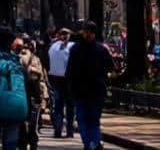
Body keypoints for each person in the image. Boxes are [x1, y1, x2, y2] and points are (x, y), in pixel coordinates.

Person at [65, 21, 113, 150]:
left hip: (92, 91)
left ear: (93, 33)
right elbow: (111, 67)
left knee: (90, 119)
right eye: (86, 32)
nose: (87, 34)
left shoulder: (98, 49)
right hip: (84, 91)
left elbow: (110, 67)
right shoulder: (80, 49)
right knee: (85, 120)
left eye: (89, 32)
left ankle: (92, 143)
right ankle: (91, 143)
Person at [13, 36, 49, 150]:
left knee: (22, 125)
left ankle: (24, 144)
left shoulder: (15, 58)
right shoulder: (33, 58)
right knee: (32, 124)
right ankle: (32, 144)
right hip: (32, 95)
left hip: (21, 96)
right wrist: (43, 98)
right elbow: (41, 79)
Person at [46, 28, 75, 139]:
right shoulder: (72, 46)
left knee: (58, 105)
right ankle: (69, 131)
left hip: (56, 79)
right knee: (70, 106)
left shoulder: (52, 47)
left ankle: (58, 130)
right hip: (67, 79)